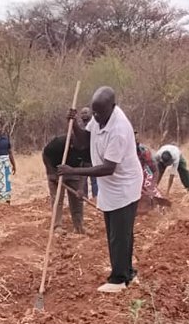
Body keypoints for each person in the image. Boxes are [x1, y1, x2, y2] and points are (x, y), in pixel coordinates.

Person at [58, 87, 144, 294]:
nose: (95, 117)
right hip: (111, 186)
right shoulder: (99, 119)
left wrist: (74, 170)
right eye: (93, 112)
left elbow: (108, 168)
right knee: (119, 233)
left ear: (112, 107)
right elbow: (85, 142)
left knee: (119, 234)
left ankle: (119, 279)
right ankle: (127, 272)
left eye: (99, 112)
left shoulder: (119, 130)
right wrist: (75, 124)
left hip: (124, 185)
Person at [41, 118, 93, 235]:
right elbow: (45, 155)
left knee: (77, 200)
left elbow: (86, 168)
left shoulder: (87, 147)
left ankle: (79, 226)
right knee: (57, 200)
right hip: (56, 171)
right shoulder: (60, 142)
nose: (81, 147)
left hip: (74, 173)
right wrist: (51, 173)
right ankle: (57, 226)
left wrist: (80, 188)